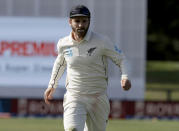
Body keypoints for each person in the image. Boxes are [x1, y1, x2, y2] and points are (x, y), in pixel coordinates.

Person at [44, 5, 131, 131]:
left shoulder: (101, 41)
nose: (80, 25)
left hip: (98, 98)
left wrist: (125, 77)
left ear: (89, 21)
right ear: (70, 22)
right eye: (77, 21)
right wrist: (52, 85)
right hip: (75, 95)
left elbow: (121, 58)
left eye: (84, 21)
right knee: (72, 128)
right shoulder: (63, 43)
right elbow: (60, 63)